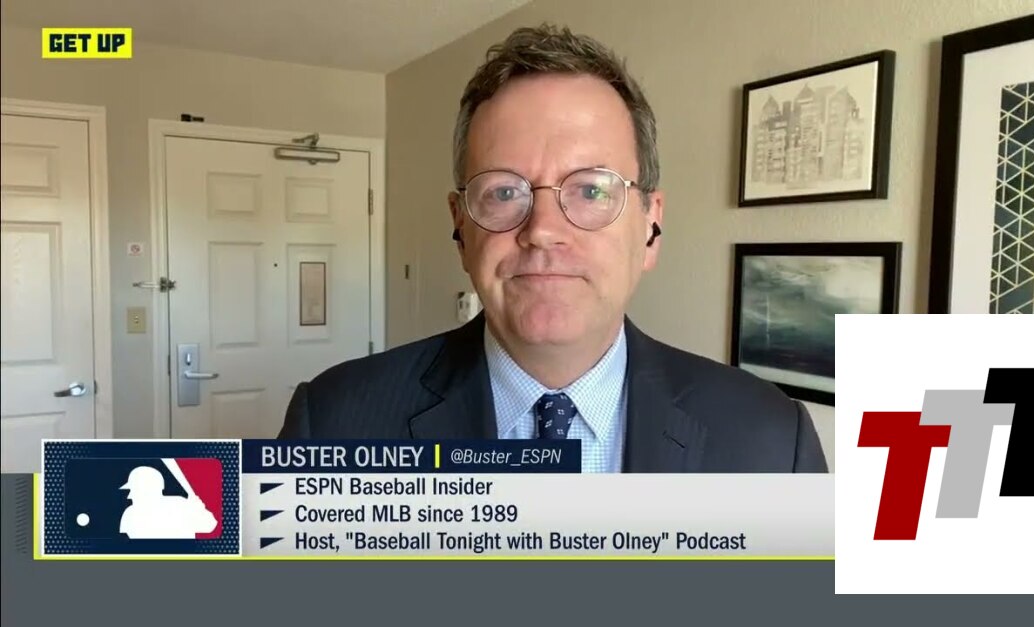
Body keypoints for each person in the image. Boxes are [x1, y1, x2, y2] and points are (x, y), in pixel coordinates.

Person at [280, 24, 828, 473]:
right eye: (504, 192)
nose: (543, 229)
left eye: (591, 190)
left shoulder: (773, 442)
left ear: (650, 227)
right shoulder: (330, 422)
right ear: (461, 228)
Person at [118, 466, 218, 539]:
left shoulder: (180, 505)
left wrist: (198, 510)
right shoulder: (131, 513)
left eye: (135, 490)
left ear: (149, 490)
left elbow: (209, 526)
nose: (129, 496)